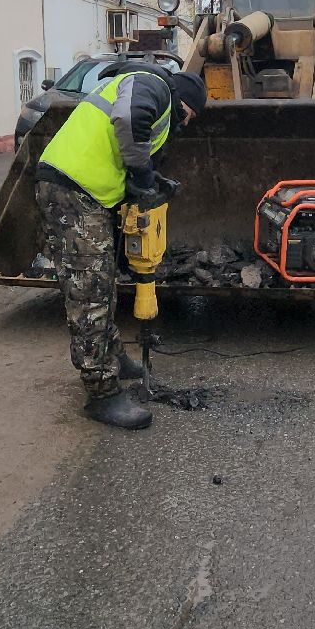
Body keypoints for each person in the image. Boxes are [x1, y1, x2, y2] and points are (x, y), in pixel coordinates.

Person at [35, 65, 208, 430]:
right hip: (71, 189)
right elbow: (129, 120)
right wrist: (142, 174)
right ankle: (101, 393)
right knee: (89, 294)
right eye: (189, 114)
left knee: (103, 284)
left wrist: (150, 178)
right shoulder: (154, 86)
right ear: (183, 100)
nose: (185, 123)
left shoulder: (154, 94)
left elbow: (121, 146)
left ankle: (111, 354)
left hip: (85, 192)